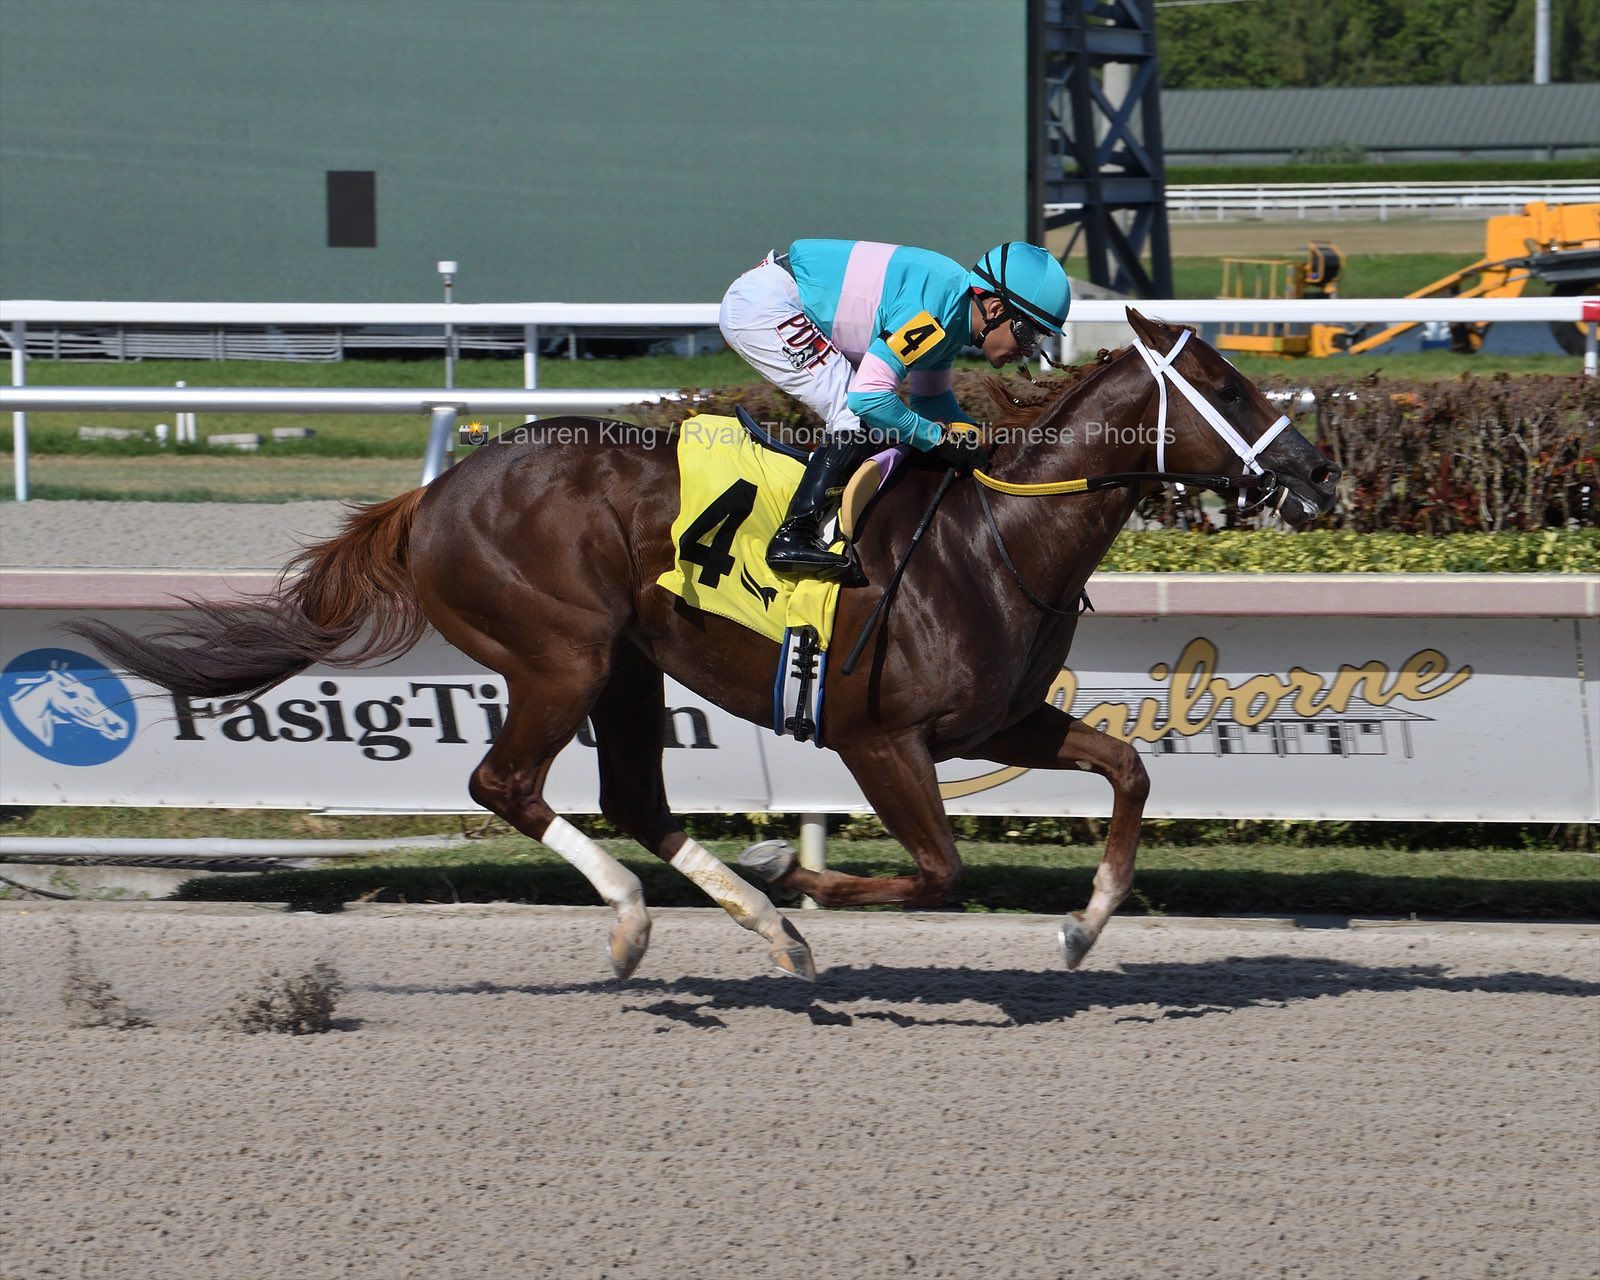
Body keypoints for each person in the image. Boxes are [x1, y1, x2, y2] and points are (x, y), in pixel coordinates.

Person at [718, 239, 1072, 579]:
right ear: (994, 309)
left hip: (778, 295)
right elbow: (868, 398)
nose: (1028, 350)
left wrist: (982, 445)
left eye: (1040, 340)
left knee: (878, 419)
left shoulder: (951, 312)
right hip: (767, 305)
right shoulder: (933, 313)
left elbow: (930, 401)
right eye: (1029, 334)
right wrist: (937, 438)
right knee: (855, 415)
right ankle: (794, 534)